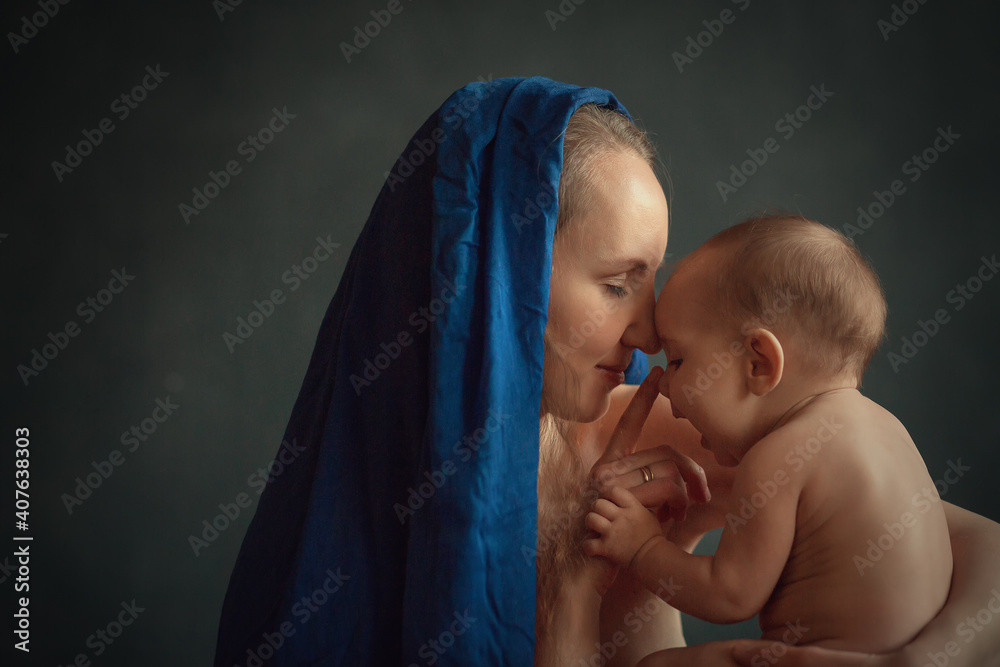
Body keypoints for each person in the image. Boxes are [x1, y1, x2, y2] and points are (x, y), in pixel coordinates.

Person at [212, 76, 1000, 666]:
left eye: (652, 283)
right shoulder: (330, 512)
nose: (654, 329)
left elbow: (975, 545)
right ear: (504, 274)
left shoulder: (665, 434)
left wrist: (917, 662)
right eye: (620, 281)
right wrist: (578, 588)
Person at [583, 215, 953, 652]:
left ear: (759, 363)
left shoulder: (779, 456)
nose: (663, 382)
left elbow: (729, 594)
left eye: (679, 360)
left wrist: (642, 546)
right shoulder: (889, 430)